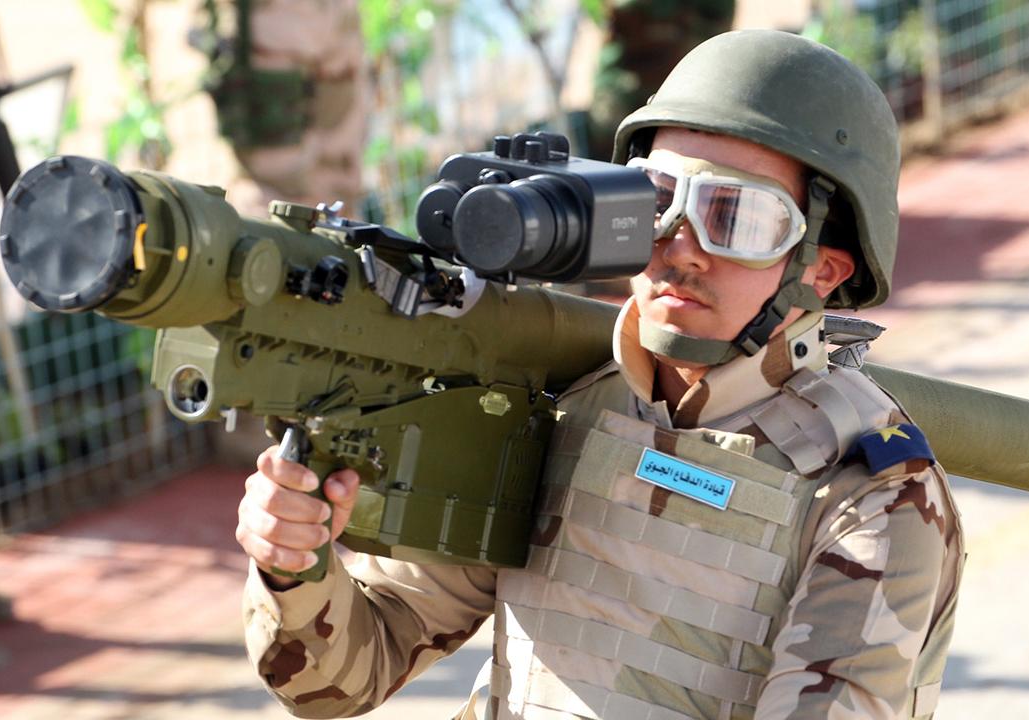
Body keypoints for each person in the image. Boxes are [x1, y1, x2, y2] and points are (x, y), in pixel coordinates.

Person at [237, 30, 963, 719]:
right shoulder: (561, 415)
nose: (682, 248)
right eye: (657, 201)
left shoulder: (871, 492)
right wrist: (293, 566)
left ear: (824, 271)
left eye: (736, 219)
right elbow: (337, 680)